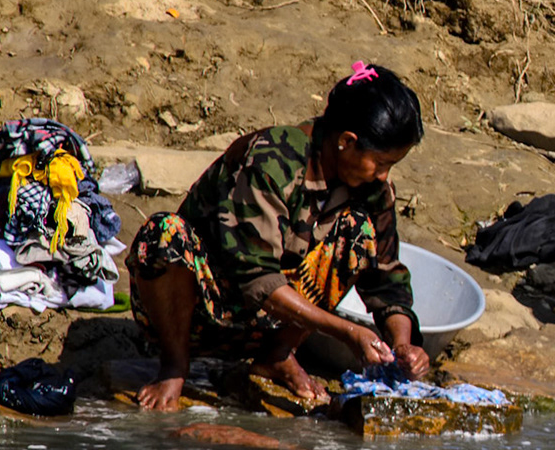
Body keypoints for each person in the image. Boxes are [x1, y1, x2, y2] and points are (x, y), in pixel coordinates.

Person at [132, 63, 431, 410]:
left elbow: (386, 278)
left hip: (266, 325)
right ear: (346, 142)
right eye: (380, 163)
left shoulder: (372, 189)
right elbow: (256, 279)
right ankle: (174, 365)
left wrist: (403, 345)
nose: (383, 175)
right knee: (163, 234)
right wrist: (348, 332)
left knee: (358, 232)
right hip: (202, 313)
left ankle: (276, 356)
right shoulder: (272, 161)